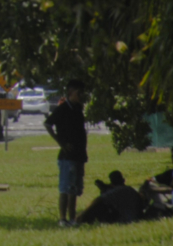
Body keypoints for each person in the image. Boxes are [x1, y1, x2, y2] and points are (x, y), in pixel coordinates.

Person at [44, 79, 88, 227]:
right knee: (65, 188)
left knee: (74, 189)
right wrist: (60, 142)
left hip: (78, 155)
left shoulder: (78, 109)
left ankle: (72, 219)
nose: (81, 95)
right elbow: (48, 123)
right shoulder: (63, 109)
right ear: (70, 93)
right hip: (67, 157)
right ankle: (63, 219)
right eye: (78, 92)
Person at [77, 170, 144, 225]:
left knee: (100, 206)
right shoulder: (130, 189)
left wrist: (81, 215)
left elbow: (99, 200)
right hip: (135, 217)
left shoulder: (116, 191)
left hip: (124, 219)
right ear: (123, 180)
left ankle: (80, 222)